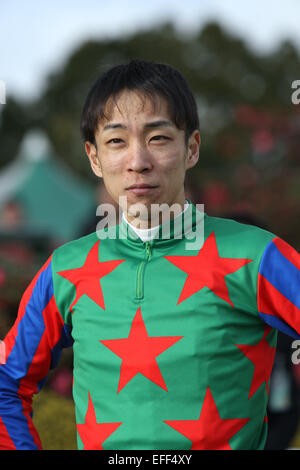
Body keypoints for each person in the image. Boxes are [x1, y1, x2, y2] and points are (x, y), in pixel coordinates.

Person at [0, 59, 300, 451]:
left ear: (191, 147)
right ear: (94, 157)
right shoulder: (65, 269)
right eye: (116, 141)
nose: (137, 162)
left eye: (158, 138)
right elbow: (7, 381)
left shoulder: (257, 256)